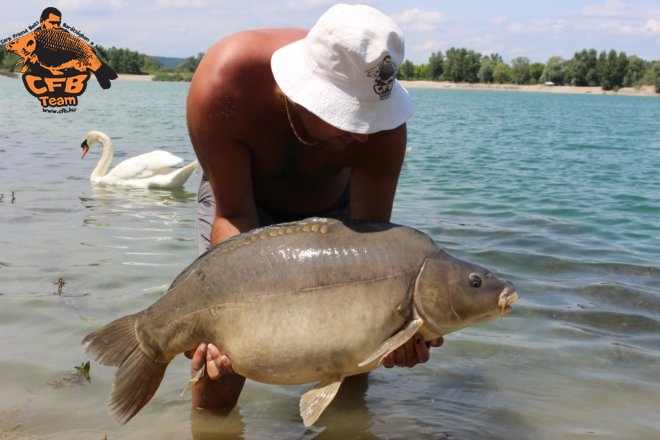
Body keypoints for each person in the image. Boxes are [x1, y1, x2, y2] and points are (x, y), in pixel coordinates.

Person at [185, 3, 443, 414]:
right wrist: (221, 319)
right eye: (349, 117)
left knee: (359, 342)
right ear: (297, 88)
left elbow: (373, 252)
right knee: (225, 348)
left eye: (369, 118)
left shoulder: (384, 131)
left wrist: (394, 331)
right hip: (241, 201)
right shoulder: (225, 85)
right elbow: (233, 213)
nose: (364, 134)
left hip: (340, 219)